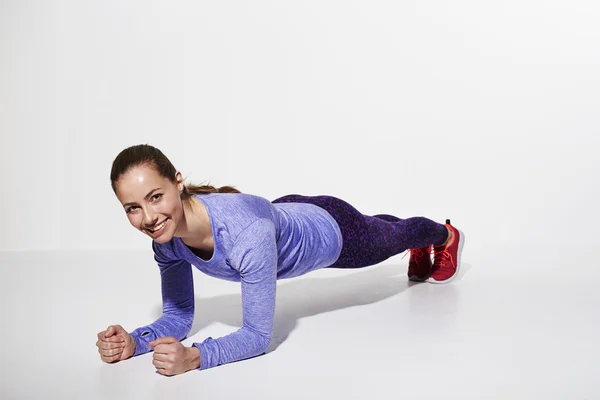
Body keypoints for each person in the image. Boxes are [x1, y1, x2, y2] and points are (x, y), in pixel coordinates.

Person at [96, 144, 465, 376]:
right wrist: (135, 341)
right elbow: (178, 317)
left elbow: (258, 337)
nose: (147, 218)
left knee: (390, 237)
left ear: (177, 182)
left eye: (156, 196)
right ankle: (404, 236)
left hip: (335, 233)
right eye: (132, 208)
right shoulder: (167, 240)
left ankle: (445, 235)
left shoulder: (246, 236)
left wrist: (194, 358)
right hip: (285, 212)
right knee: (383, 228)